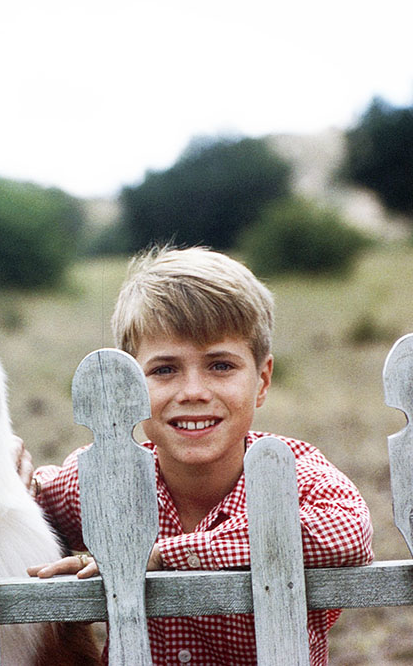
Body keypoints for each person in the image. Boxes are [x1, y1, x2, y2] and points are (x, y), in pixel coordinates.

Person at [25, 246, 374, 665]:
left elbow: (347, 532)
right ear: (130, 388)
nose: (193, 391)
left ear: (262, 380)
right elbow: (23, 501)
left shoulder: (292, 474)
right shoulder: (107, 478)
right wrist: (8, 464)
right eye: (165, 370)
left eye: (221, 366)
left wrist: (162, 554)